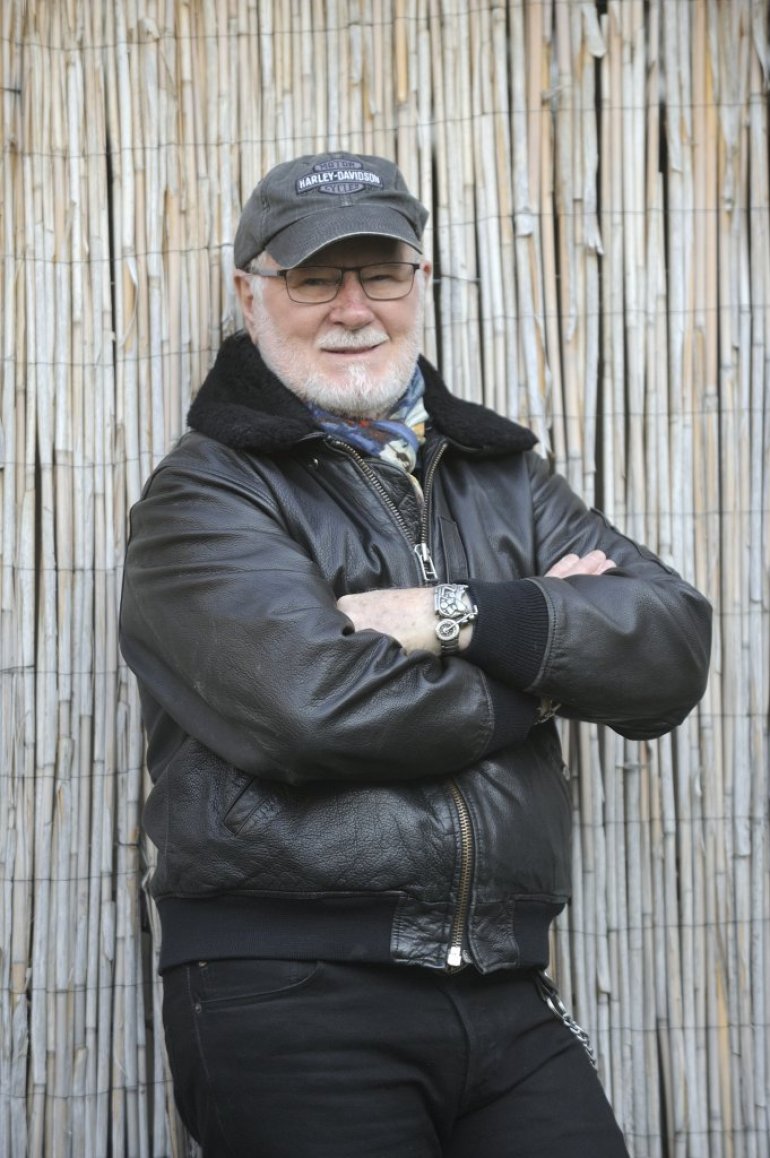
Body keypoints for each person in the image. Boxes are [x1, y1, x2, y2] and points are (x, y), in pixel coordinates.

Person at [119, 151, 712, 1157]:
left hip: (503, 984)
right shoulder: (206, 492)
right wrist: (540, 671)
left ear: (419, 282)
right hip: (289, 993)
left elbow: (668, 644)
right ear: (250, 296)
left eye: (381, 274)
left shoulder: (500, 473)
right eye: (315, 279)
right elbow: (313, 709)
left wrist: (446, 611)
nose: (354, 309)